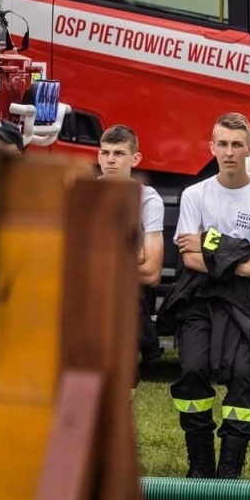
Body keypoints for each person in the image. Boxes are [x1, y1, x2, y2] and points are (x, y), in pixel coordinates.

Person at [158, 114, 250, 479]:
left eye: (237, 145)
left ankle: (230, 468)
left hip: (249, 301)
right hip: (199, 297)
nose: (229, 153)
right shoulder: (194, 194)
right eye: (222, 144)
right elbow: (188, 257)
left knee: (244, 376)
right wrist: (240, 260)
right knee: (193, 370)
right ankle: (199, 464)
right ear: (211, 147)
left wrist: (211, 242)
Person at [96, 123, 165, 368]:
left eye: (119, 153)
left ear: (135, 159)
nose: (110, 160)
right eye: (105, 153)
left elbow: (152, 271)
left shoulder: (149, 200)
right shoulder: (84, 193)